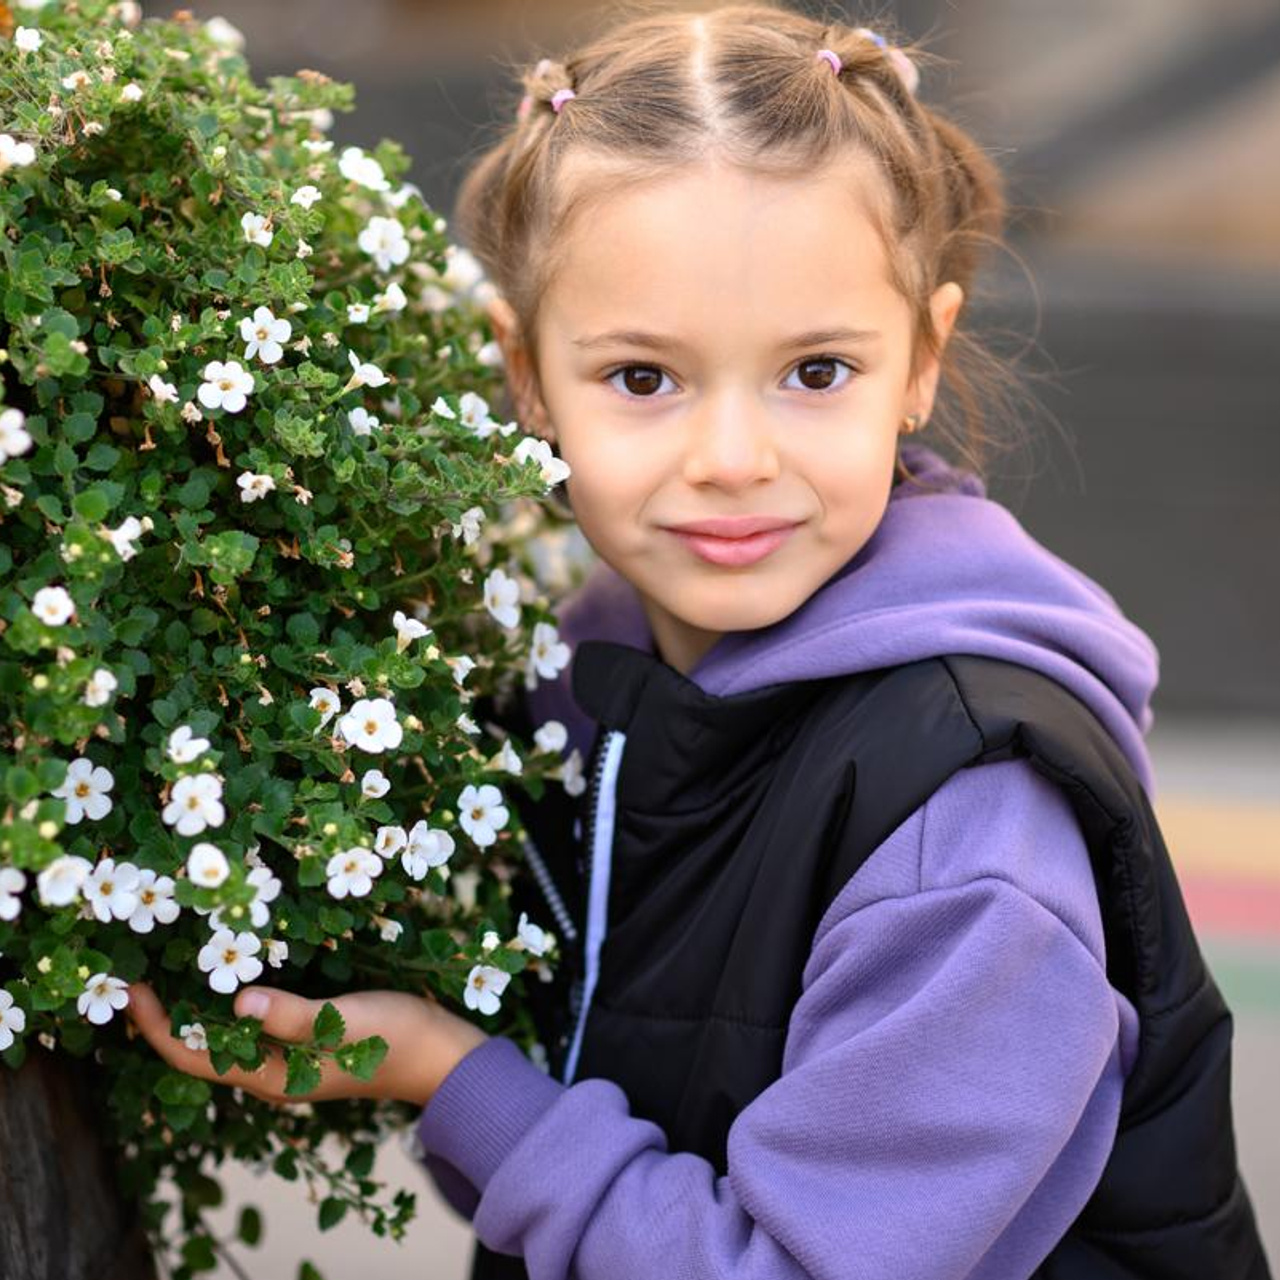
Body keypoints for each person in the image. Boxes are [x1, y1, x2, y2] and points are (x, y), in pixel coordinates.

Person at [128, 5, 1273, 1279]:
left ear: (920, 359)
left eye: (816, 370)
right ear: (525, 375)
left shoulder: (961, 833)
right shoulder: (578, 687)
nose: (731, 459)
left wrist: (453, 1078)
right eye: (642, 377)